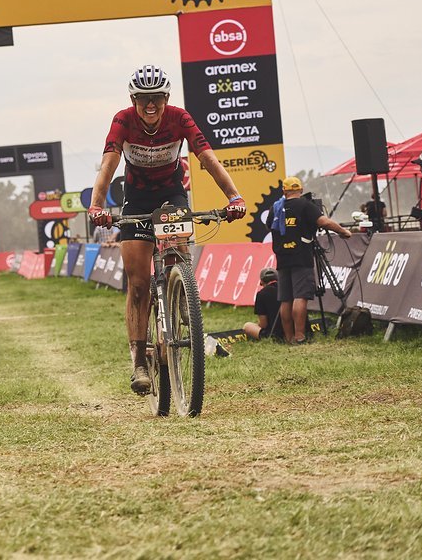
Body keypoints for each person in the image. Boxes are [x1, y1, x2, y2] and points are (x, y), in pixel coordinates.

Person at [87, 66, 247, 394]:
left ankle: (182, 294)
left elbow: (208, 159)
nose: (150, 105)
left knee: (178, 254)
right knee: (138, 285)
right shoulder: (123, 120)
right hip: (136, 200)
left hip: (172, 196)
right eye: (143, 99)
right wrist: (97, 205)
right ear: (133, 100)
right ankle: (139, 363)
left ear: (166, 98)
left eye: (156, 98)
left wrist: (234, 196)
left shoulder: (180, 118)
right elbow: (109, 163)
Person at [267, 176, 351, 344]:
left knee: (286, 299)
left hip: (282, 257)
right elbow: (323, 221)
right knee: (300, 297)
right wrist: (343, 231)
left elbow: (270, 226)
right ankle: (300, 336)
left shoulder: (275, 208)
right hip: (301, 256)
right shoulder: (305, 205)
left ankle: (289, 337)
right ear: (301, 190)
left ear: (284, 191)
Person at [243, 268, 284, 341]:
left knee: (247, 326)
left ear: (261, 282)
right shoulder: (287, 289)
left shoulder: (261, 294)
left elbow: (263, 325)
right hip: (292, 331)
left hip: (275, 335)